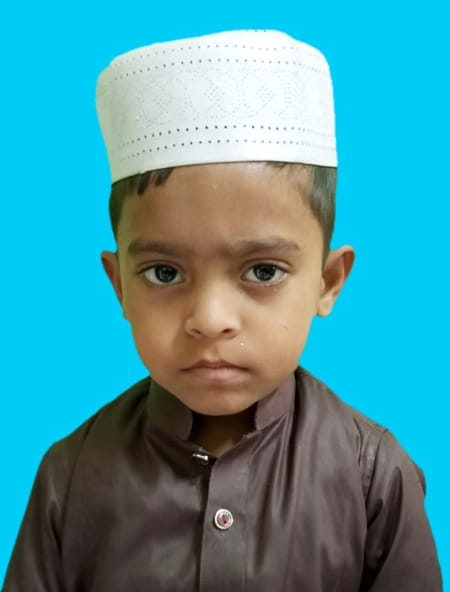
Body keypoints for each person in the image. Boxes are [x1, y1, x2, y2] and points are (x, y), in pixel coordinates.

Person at [2, 30, 442, 591]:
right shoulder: (70, 476)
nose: (210, 319)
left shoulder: (372, 476)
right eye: (165, 273)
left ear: (328, 281)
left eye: (263, 272)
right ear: (119, 286)